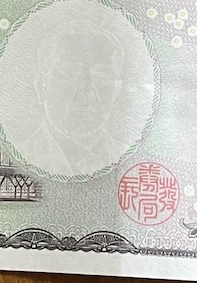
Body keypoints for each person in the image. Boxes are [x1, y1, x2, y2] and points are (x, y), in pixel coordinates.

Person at [23, 19, 129, 176]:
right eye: (71, 75)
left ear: (117, 90)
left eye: (101, 77)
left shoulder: (126, 157)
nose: (85, 94)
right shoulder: (24, 155)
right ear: (42, 86)